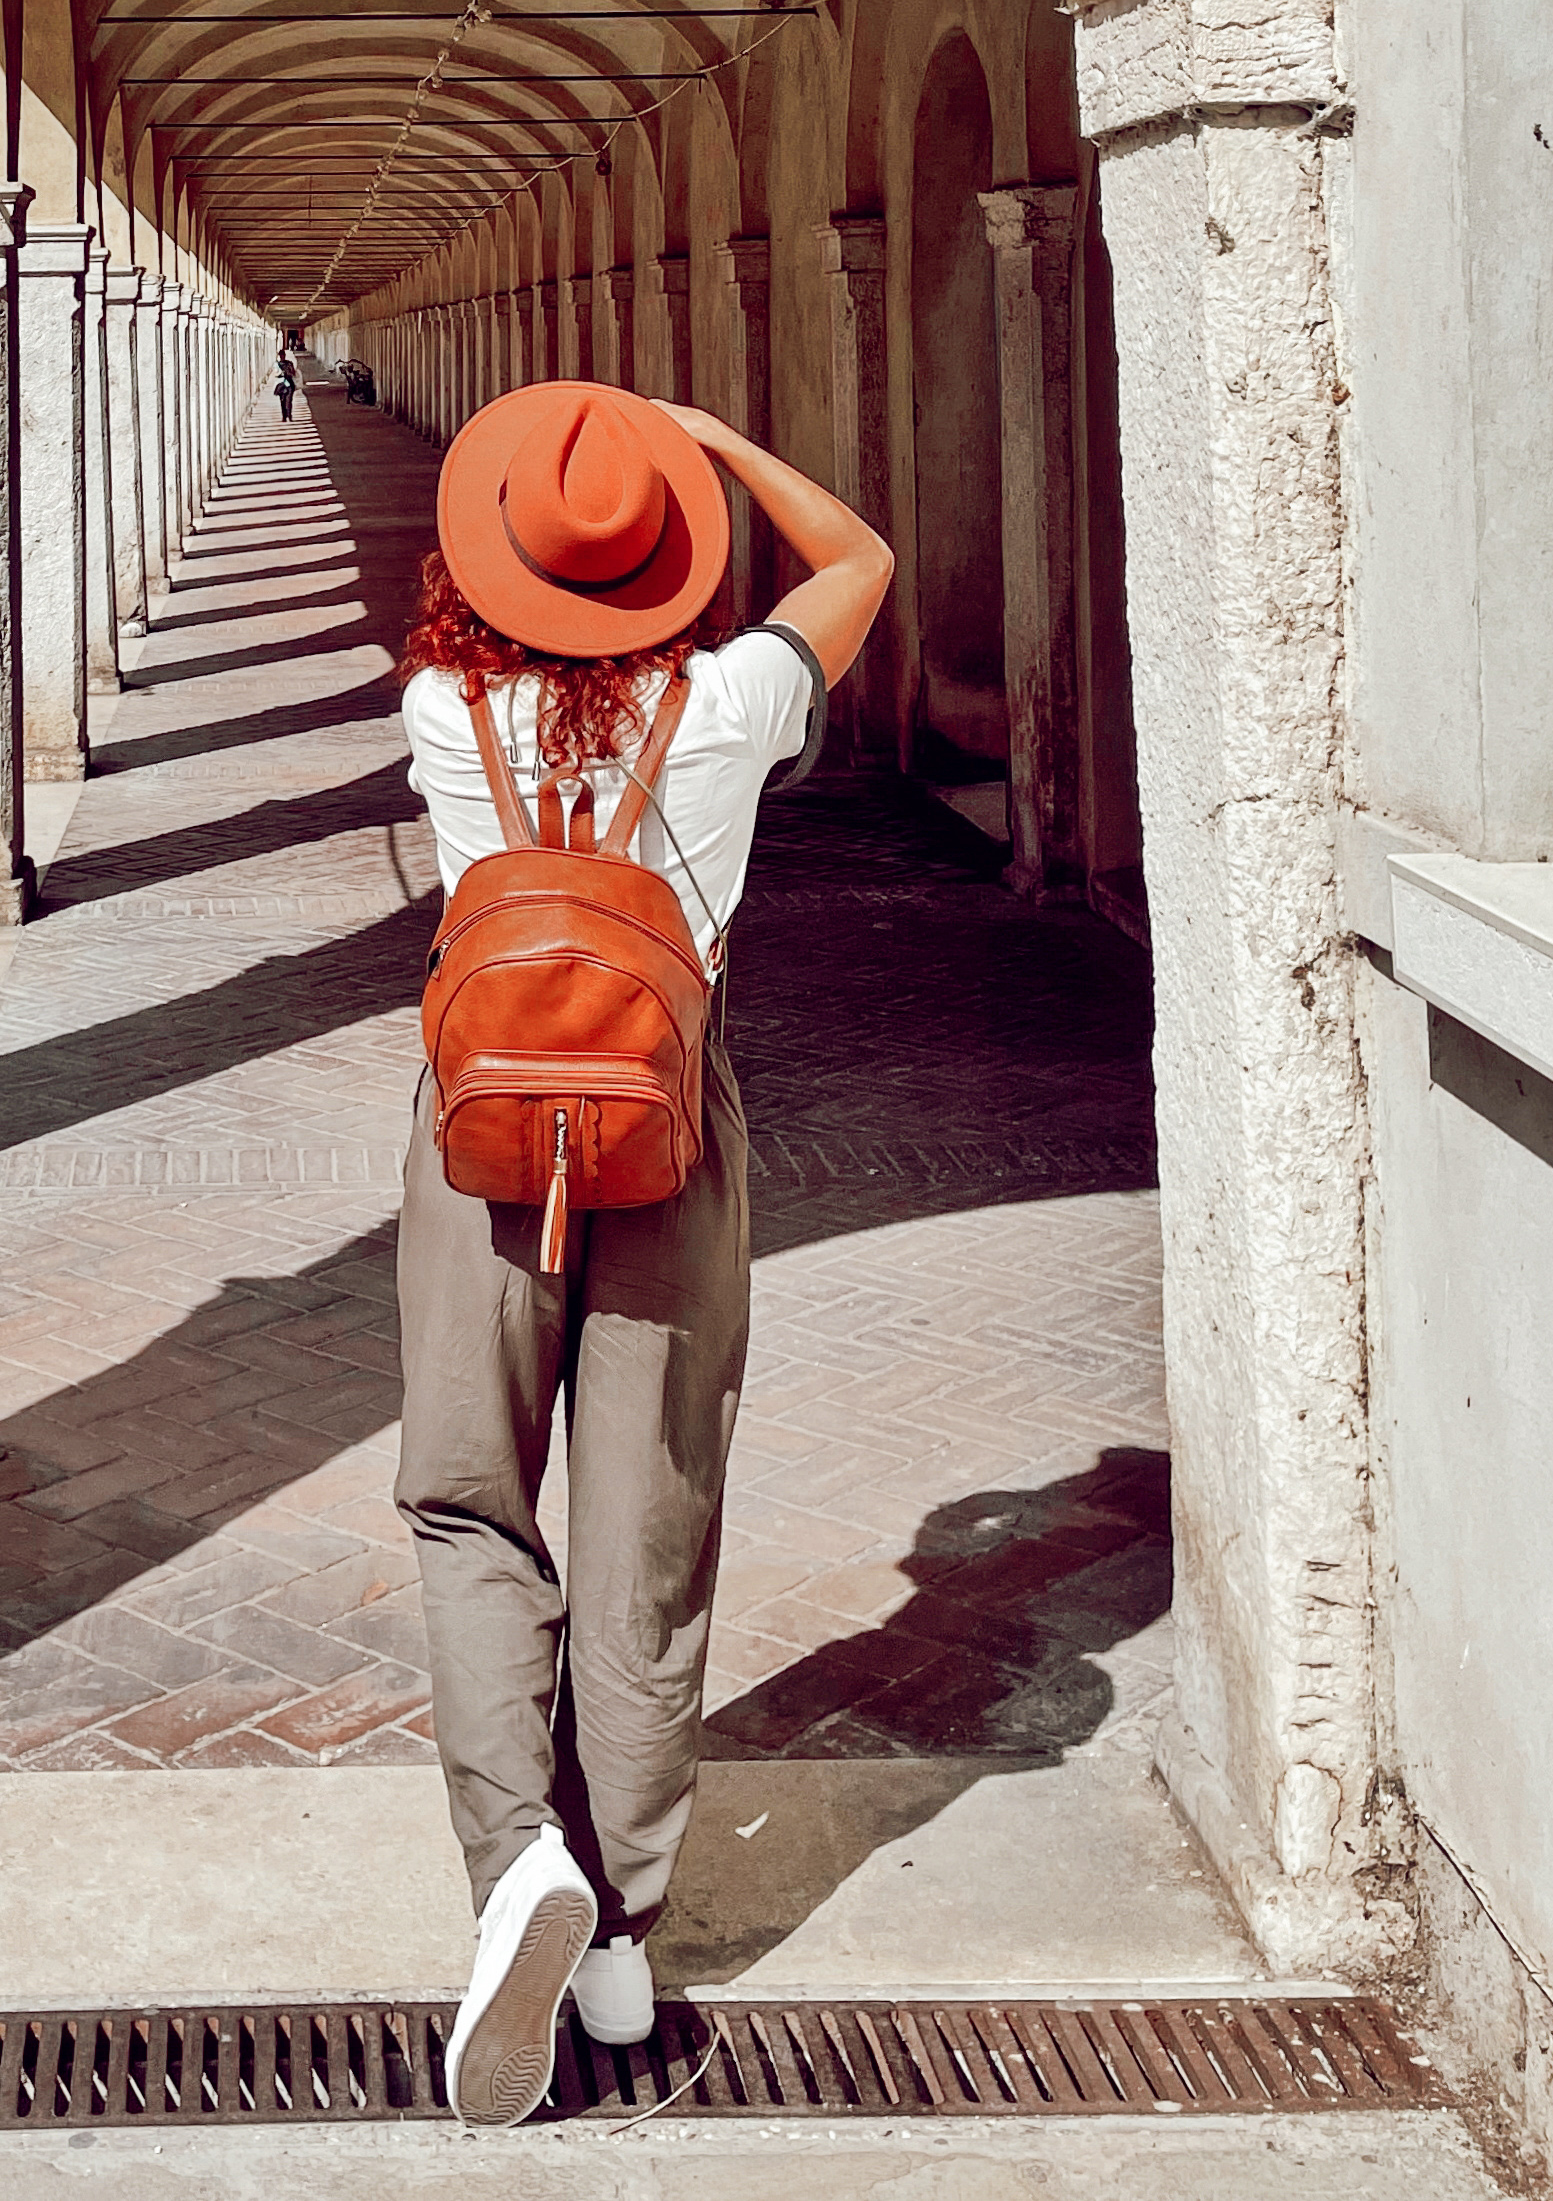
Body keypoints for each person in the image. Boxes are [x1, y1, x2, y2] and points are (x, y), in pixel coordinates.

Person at [394, 379, 892, 2126]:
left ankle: (515, 1858)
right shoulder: (737, 699)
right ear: (663, 561)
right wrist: (710, 436)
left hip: (477, 1139)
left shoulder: (444, 706)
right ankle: (624, 1921)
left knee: (470, 1497)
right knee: (646, 1520)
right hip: (668, 1127)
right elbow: (858, 556)